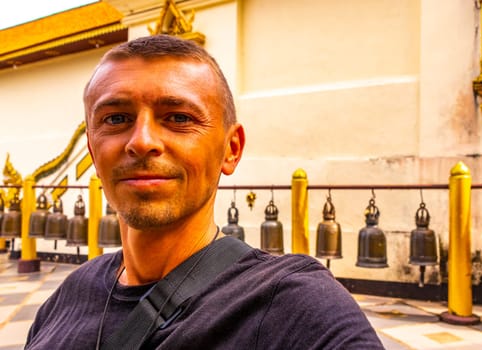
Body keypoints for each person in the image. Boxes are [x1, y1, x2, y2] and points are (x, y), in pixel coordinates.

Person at [25, 35, 384, 349]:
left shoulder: (293, 306)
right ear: (92, 150)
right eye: (117, 118)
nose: (142, 142)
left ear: (231, 149)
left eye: (178, 118)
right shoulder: (65, 300)